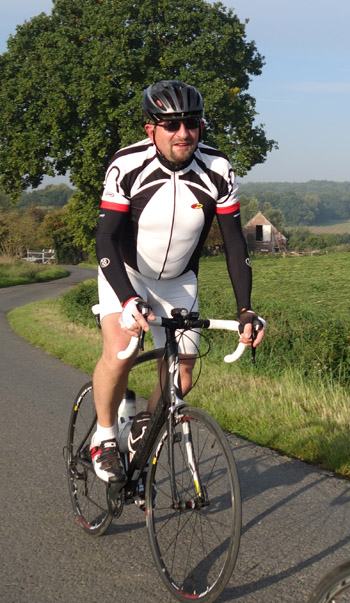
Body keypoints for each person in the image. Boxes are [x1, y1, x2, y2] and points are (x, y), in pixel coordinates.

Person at [91, 79, 265, 483]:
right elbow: (105, 238)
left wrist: (245, 308)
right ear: (151, 129)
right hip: (126, 273)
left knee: (182, 375)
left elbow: (235, 242)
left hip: (179, 280)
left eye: (192, 123)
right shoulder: (127, 164)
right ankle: (104, 437)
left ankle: (143, 431)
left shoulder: (218, 169)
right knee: (120, 351)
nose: (183, 133)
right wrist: (127, 299)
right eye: (171, 125)